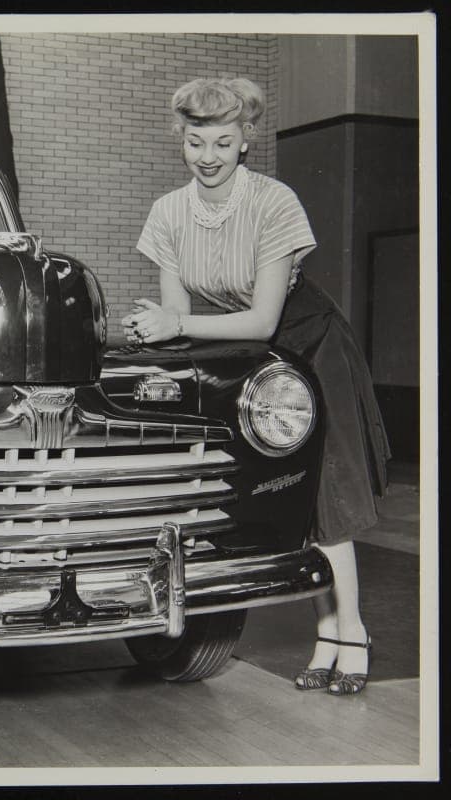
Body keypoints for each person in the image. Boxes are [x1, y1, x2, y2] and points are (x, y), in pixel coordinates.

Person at [123, 77, 390, 696]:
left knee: (324, 497)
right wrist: (157, 332)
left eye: (223, 141)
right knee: (270, 499)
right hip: (231, 351)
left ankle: (350, 630)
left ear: (246, 142)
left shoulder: (274, 202)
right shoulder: (167, 212)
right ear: (180, 142)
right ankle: (326, 633)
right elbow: (175, 324)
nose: (208, 156)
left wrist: (176, 324)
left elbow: (264, 319)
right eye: (196, 142)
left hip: (307, 343)